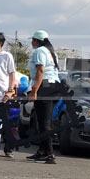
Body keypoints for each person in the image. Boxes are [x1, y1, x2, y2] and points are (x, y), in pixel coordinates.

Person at [25, 30, 63, 165]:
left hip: (45, 87)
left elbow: (40, 70)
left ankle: (49, 153)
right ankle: (42, 151)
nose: (31, 42)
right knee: (44, 121)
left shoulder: (39, 51)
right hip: (55, 87)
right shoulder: (51, 52)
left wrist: (34, 91)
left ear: (37, 40)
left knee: (44, 123)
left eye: (32, 40)